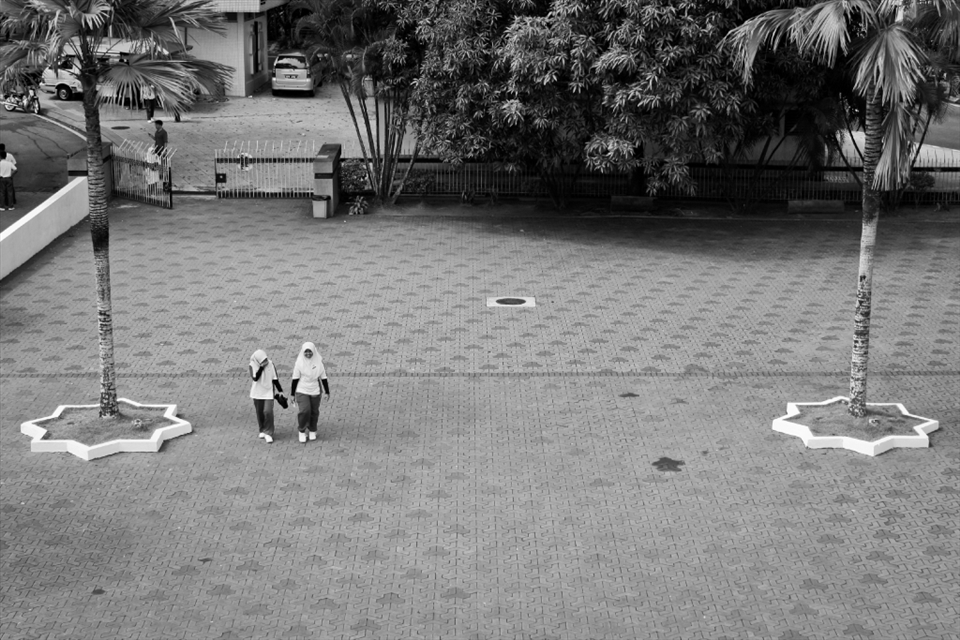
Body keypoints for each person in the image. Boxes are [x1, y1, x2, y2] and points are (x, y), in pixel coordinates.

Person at [290, 342, 330, 443]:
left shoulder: (318, 363)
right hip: (302, 389)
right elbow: (295, 379)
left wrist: (327, 392)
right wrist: (292, 394)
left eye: (310, 351)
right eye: (306, 351)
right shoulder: (299, 363)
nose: (308, 353)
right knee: (305, 410)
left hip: (315, 389)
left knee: (314, 411)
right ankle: (302, 430)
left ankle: (312, 429)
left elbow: (323, 377)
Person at [249, 349, 284, 444]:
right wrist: (261, 368)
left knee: (268, 411)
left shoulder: (271, 364)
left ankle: (269, 433)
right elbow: (255, 378)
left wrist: (280, 390)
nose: (265, 362)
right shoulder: (252, 365)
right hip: (257, 392)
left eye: (266, 359)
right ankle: (262, 429)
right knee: (259, 412)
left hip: (268, 391)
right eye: (263, 360)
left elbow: (275, 378)